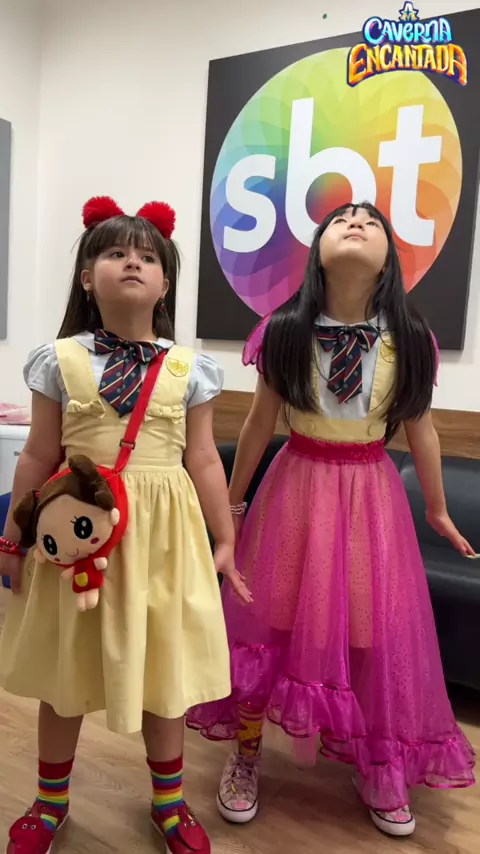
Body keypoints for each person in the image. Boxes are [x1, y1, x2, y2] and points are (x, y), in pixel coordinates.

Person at [187, 202, 476, 838]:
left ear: (389, 260)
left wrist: (437, 509)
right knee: (269, 622)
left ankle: (378, 760)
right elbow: (258, 424)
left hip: (371, 497)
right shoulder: (284, 330)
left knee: (371, 633)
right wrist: (230, 507)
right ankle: (246, 752)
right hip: (295, 490)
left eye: (371, 221)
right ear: (317, 250)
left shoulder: (410, 337)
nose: (355, 222)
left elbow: (423, 430)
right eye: (341, 219)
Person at [0, 195, 251, 854]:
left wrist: (226, 537)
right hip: (77, 542)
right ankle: (49, 801)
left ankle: (169, 803)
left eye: (147, 256)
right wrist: (12, 538)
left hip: (163, 543)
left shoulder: (190, 368)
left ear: (165, 283)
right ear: (88, 277)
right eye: (115, 252)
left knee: (164, 675)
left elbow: (203, 459)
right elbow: (38, 454)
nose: (132, 262)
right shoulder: (58, 360)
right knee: (66, 670)